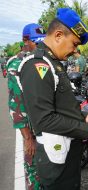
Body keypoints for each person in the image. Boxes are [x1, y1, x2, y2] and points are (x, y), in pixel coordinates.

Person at [19, 8, 88, 190]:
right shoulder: (38, 65)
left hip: (66, 153)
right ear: (58, 35)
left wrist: (84, 116)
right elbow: (44, 120)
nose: (75, 51)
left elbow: (61, 106)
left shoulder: (53, 63)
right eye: (74, 44)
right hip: (56, 160)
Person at [6, 23, 46, 190]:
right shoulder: (16, 64)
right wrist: (28, 138)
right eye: (36, 42)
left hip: (48, 126)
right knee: (34, 172)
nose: (40, 46)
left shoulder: (42, 59)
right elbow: (16, 104)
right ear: (25, 41)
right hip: (32, 129)